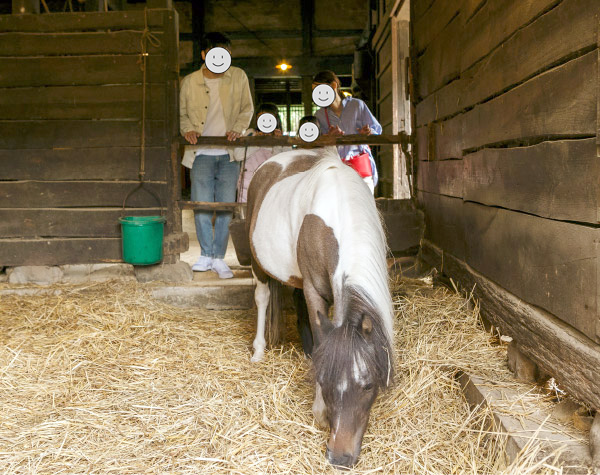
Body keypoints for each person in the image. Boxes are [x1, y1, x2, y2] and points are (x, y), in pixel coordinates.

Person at [180, 32, 253, 279]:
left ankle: (220, 258)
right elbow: (182, 114)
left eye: (226, 54)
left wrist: (238, 129)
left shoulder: (239, 77)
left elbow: (247, 109)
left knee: (224, 207)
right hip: (199, 153)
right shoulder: (189, 81)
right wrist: (187, 129)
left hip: (229, 154)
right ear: (204, 55)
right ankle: (205, 255)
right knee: (201, 205)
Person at [312, 70, 381, 194]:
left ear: (333, 85)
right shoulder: (319, 115)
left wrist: (368, 132)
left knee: (363, 205)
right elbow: (317, 144)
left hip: (360, 166)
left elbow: (377, 130)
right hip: (334, 169)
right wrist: (328, 137)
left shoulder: (357, 105)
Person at [237, 103, 289, 203]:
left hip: (273, 186)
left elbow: (286, 162)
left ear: (276, 120)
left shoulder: (282, 138)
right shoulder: (250, 133)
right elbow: (238, 155)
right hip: (248, 186)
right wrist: (256, 141)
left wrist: (277, 142)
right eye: (261, 118)